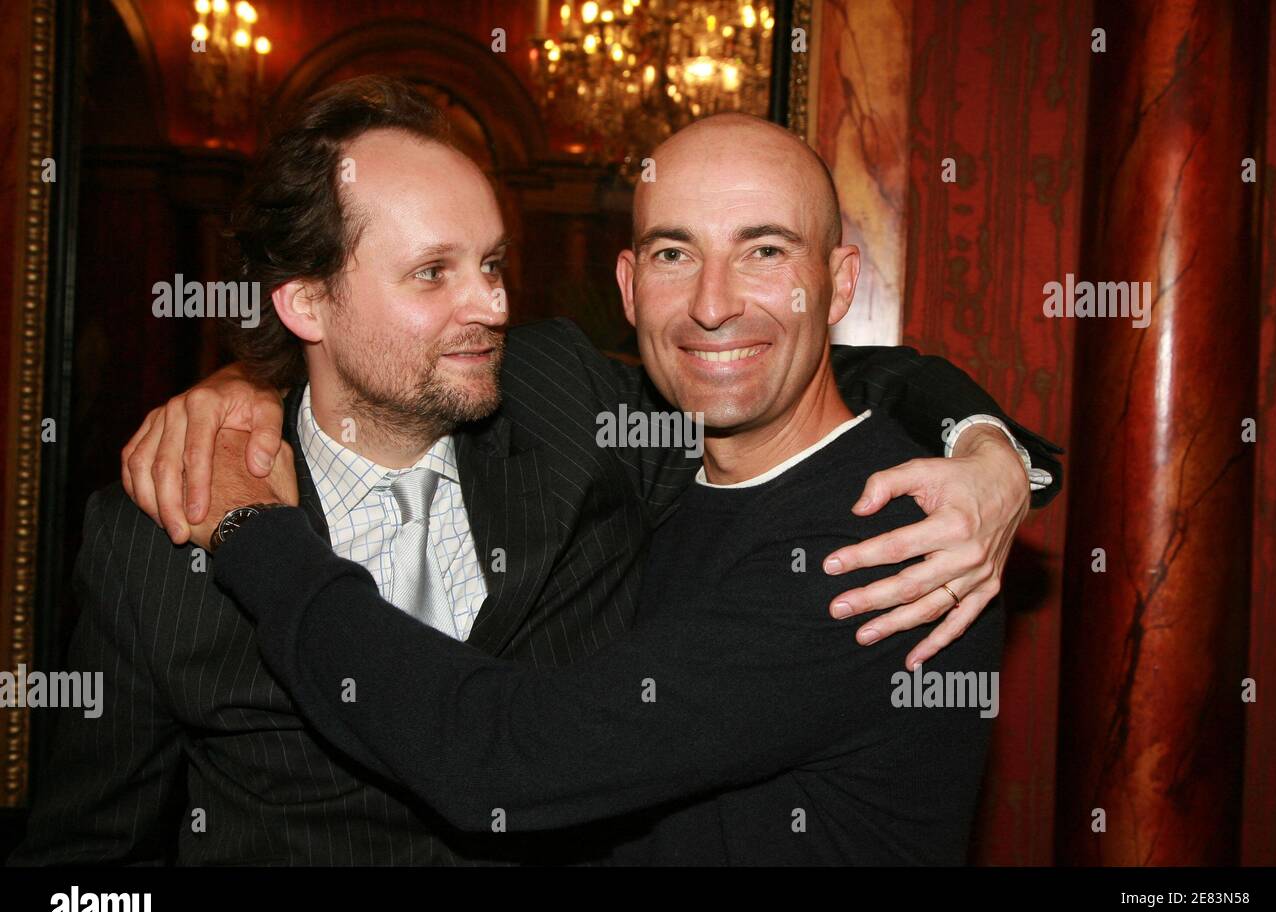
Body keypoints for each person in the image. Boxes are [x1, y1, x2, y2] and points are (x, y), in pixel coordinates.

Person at [12, 77, 1058, 866]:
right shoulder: (161, 523)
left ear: (837, 281)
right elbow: (80, 871)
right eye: (434, 271)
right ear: (306, 302)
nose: (493, 305)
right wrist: (239, 385)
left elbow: (501, 756)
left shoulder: (867, 532)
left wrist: (988, 445)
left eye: (494, 262)